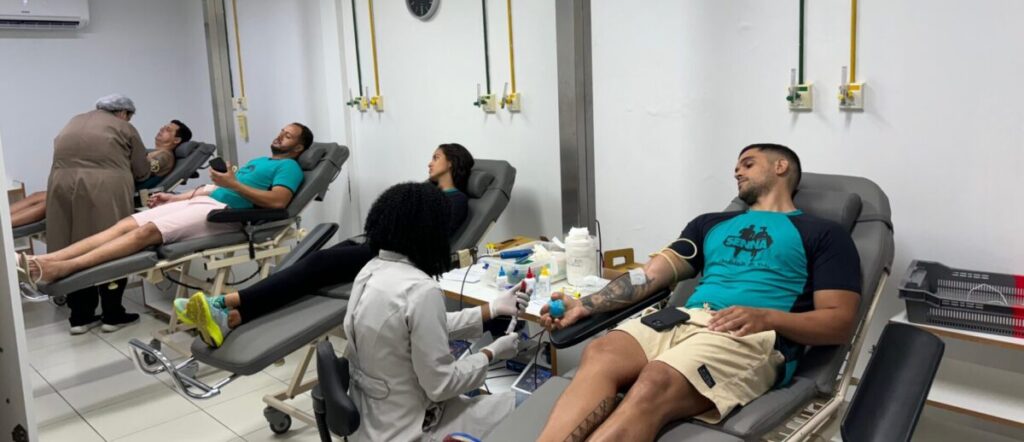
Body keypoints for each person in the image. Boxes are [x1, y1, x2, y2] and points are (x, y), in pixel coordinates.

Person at [535, 144, 862, 442]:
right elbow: (649, 275)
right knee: (601, 352)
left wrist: (766, 317)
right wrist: (584, 305)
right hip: (681, 319)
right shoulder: (709, 223)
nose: (737, 172)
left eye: (748, 164)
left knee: (654, 381)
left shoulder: (824, 234)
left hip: (750, 334)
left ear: (781, 167)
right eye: (736, 168)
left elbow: (839, 323)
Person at [177, 143, 476, 348]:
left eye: (436, 157)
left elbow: (434, 236)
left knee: (317, 264)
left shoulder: (457, 200)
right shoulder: (421, 192)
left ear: (451, 163)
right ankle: (233, 318)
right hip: (378, 245)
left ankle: (224, 302)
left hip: (397, 257)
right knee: (309, 270)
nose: (429, 162)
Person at [18, 123, 313, 300]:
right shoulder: (259, 161)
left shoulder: (289, 167)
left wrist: (233, 183)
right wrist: (174, 198)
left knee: (146, 234)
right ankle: (47, 259)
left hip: (225, 215)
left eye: (288, 136)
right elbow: (214, 188)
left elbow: (277, 202)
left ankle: (63, 269)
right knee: (124, 225)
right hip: (205, 202)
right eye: (281, 132)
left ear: (299, 148)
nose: (280, 136)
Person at [351, 182, 527, 441]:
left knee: (475, 393)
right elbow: (441, 386)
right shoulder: (421, 290)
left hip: (374, 419)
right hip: (413, 429)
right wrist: (492, 352)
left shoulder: (370, 271)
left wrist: (492, 308)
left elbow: (417, 329)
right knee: (527, 405)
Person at [39, 94, 152, 333]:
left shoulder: (73, 121)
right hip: (102, 189)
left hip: (61, 187)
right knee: (111, 248)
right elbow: (142, 170)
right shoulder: (124, 127)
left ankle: (80, 317)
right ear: (123, 113)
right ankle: (112, 314)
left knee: (71, 247)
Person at [10, 119, 193, 228]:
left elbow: (139, 171)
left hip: (111, 194)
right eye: (163, 127)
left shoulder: (165, 157)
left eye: (168, 130)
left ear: (177, 140)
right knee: (38, 196)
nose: (162, 129)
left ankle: (6, 226)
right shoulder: (152, 152)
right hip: (102, 186)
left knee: (49, 203)